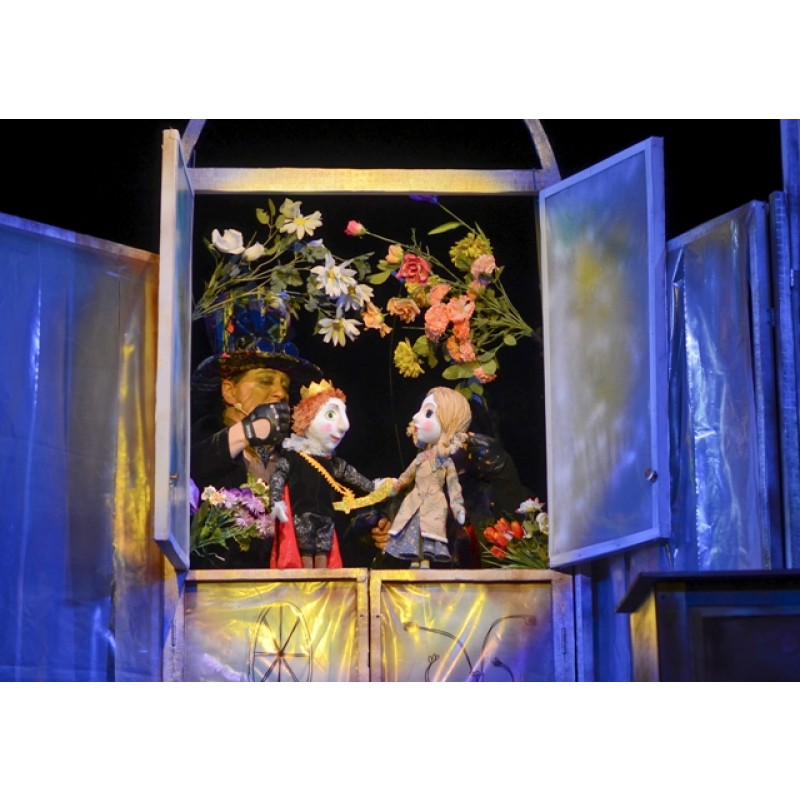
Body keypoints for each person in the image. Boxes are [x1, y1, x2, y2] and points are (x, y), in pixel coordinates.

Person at [190, 303, 323, 569]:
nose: (280, 393)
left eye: (285, 385)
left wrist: (363, 530)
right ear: (230, 391)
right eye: (265, 381)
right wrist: (245, 432)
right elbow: (191, 467)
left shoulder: (293, 458)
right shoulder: (201, 440)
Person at [268, 380, 390, 569]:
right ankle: (307, 577)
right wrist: (276, 501)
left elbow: (351, 474)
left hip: (326, 517)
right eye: (331, 415)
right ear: (308, 418)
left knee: (323, 550)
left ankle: (323, 578)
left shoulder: (332, 461)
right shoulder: (294, 457)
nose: (344, 426)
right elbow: (278, 476)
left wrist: (373, 487)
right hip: (303, 514)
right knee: (305, 549)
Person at [382, 387, 472, 567]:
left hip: (434, 504)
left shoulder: (446, 462)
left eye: (428, 413)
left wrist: (458, 508)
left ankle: (425, 562)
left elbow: (454, 487)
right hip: (415, 500)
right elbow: (407, 476)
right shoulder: (421, 458)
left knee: (429, 532)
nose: (416, 417)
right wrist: (394, 487)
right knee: (412, 530)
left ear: (449, 423)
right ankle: (415, 560)